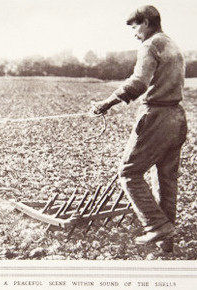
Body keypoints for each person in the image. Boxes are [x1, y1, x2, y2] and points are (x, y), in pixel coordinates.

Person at [90, 5, 187, 252]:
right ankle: (167, 242)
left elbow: (139, 82)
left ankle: (156, 226)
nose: (134, 33)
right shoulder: (173, 45)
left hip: (156, 117)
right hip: (177, 117)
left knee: (129, 173)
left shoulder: (150, 45)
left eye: (134, 26)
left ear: (145, 22)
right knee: (166, 179)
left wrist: (107, 102)